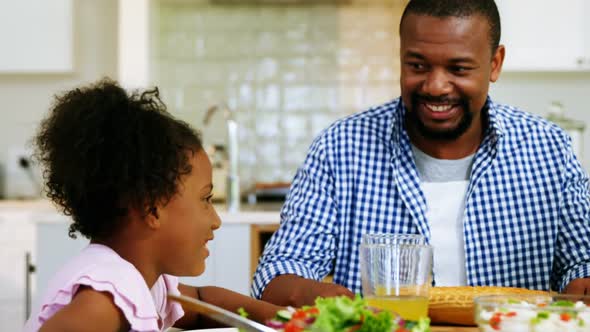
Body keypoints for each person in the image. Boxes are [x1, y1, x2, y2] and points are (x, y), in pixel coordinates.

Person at [252, 0, 590, 307]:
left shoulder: (549, 149)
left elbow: (581, 262)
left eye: (458, 69)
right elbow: (279, 272)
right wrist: (342, 305)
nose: (435, 86)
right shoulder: (340, 148)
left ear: (495, 64)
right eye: (417, 66)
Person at [24, 79, 282, 331]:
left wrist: (288, 320)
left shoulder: (145, 282)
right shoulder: (106, 295)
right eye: (205, 199)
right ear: (152, 209)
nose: (216, 220)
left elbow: (203, 302)